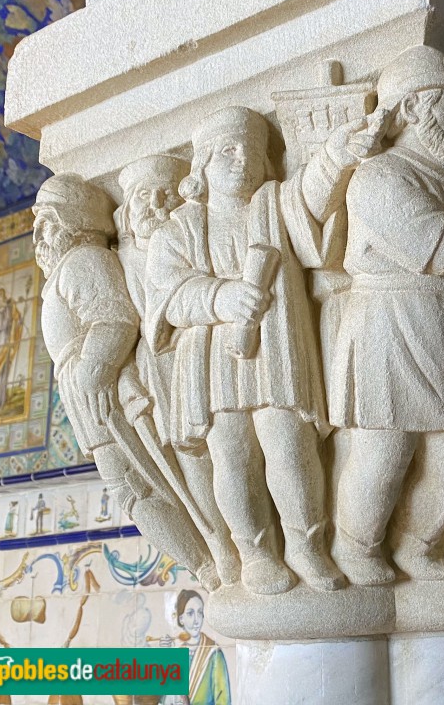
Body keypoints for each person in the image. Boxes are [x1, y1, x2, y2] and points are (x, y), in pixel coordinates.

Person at [146, 106, 374, 595]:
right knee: (232, 455)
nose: (242, 160)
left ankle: (306, 545)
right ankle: (255, 553)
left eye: (251, 150)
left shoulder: (273, 203)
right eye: (228, 151)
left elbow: (312, 195)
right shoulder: (179, 229)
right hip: (212, 357)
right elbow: (166, 296)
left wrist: (337, 155)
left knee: (290, 447)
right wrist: (220, 297)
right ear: (202, 165)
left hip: (278, 348)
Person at [330, 45, 444, 585]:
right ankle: (356, 546)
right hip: (393, 325)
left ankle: (417, 544)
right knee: (386, 451)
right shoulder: (379, 176)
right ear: (410, 109)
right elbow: (439, 251)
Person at [33, 173, 220, 590]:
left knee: (142, 483)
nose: (38, 237)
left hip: (105, 390)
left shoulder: (84, 261)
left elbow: (114, 319)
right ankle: (205, 562)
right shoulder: (68, 268)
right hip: (88, 393)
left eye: (46, 223)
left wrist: (95, 371)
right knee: (132, 490)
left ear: (74, 221)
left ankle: (211, 559)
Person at [116, 156, 238, 584]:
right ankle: (222, 545)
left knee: (227, 447)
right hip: (159, 372)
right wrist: (125, 378)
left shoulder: (195, 238)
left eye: (164, 194)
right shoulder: (122, 261)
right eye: (141, 197)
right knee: (193, 458)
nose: (154, 205)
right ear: (125, 211)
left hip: (204, 354)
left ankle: (249, 537)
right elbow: (115, 328)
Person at [160, 590, 230, 705]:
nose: (196, 620)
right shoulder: (178, 653)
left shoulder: (213, 652)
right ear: (181, 619)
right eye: (190, 613)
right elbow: (165, 698)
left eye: (200, 613)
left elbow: (223, 700)